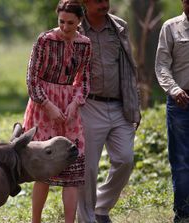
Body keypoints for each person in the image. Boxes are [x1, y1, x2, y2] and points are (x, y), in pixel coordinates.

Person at [23, 1, 91, 222]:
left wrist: (75, 103)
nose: (65, 26)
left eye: (70, 23)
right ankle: (36, 221)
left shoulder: (85, 44)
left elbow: (85, 80)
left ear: (79, 21)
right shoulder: (45, 40)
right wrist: (48, 105)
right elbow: (31, 80)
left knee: (72, 169)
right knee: (44, 169)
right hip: (44, 108)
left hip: (69, 109)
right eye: (61, 21)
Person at [77, 0, 141, 223]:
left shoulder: (119, 26)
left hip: (119, 105)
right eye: (98, 0)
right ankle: (87, 218)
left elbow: (129, 67)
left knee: (125, 159)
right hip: (89, 105)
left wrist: (135, 103)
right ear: (85, 2)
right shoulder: (76, 28)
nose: (104, 4)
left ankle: (101, 207)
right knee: (88, 168)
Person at [155, 1, 189, 222]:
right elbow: (162, 65)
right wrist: (174, 90)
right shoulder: (171, 27)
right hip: (181, 102)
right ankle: (184, 213)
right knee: (182, 161)